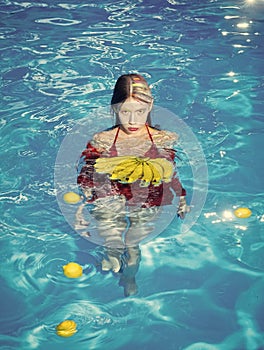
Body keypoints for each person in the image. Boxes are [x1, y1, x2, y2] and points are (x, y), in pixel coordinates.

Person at [76, 73, 188, 296]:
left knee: (133, 245)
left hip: (148, 193)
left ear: (151, 106)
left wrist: (181, 198)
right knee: (111, 234)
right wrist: (81, 206)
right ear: (114, 108)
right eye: (125, 111)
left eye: (140, 111)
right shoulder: (103, 140)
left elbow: (169, 172)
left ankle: (129, 277)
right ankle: (111, 253)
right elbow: (87, 174)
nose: (133, 120)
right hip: (110, 189)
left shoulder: (163, 138)